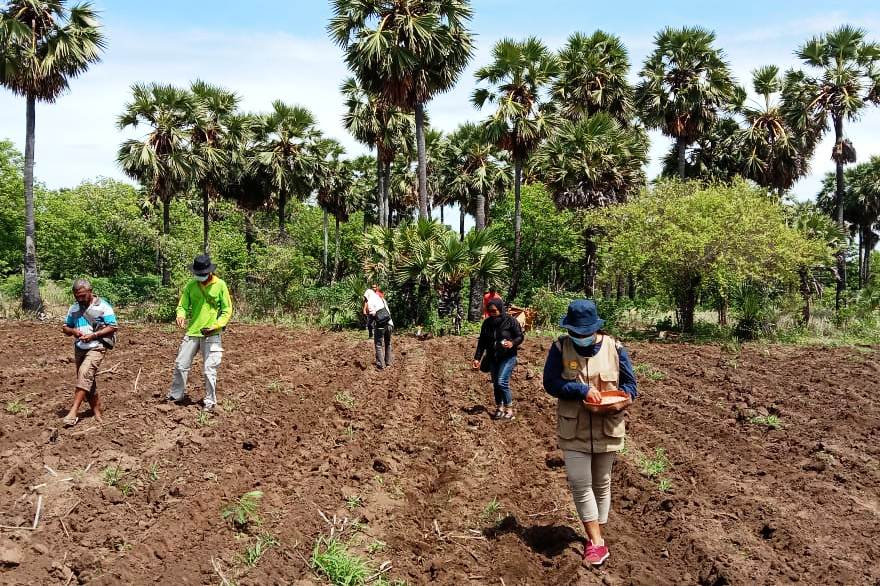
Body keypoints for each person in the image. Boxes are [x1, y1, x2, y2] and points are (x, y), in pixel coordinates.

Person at [542, 299, 637, 566]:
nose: (580, 338)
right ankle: (595, 542)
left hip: (608, 425)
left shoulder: (615, 348)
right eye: (576, 333)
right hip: (574, 429)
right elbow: (550, 383)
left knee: (602, 484)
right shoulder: (560, 347)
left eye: (585, 333)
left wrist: (622, 400)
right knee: (579, 483)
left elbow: (631, 386)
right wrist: (581, 390)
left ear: (595, 328)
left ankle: (598, 536)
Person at [167, 254, 233, 412]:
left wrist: (216, 325)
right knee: (180, 364)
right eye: (198, 274)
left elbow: (227, 310)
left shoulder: (220, 285)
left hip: (212, 333)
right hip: (193, 331)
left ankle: (210, 401)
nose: (200, 277)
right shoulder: (191, 285)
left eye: (202, 274)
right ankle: (176, 395)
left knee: (210, 368)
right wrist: (180, 315)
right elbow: (182, 305)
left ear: (209, 272)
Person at [61, 279, 119, 427]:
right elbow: (65, 327)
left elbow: (113, 327)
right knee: (87, 379)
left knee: (85, 373)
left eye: (82, 295)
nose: (79, 299)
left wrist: (93, 335)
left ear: (90, 291)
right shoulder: (73, 308)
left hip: (97, 346)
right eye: (77, 296)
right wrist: (73, 331)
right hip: (80, 347)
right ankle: (97, 411)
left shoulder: (103, 306)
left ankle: (73, 412)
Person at [472, 298, 524, 420]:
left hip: (507, 356)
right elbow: (482, 342)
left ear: (500, 309)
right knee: (496, 384)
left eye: (494, 311)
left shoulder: (510, 321)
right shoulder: (487, 323)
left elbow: (520, 336)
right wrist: (477, 358)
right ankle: (499, 408)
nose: (492, 313)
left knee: (502, 382)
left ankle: (509, 410)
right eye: (490, 311)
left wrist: (512, 343)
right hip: (492, 357)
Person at [363, 286, 393, 369]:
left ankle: (381, 365)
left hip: (381, 326)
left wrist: (369, 323)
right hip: (390, 323)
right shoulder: (382, 299)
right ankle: (388, 363)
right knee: (388, 343)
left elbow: (373, 315)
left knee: (378, 345)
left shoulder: (370, 301)